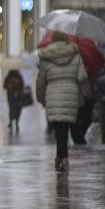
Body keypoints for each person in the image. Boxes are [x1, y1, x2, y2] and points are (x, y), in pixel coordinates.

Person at [36, 31, 87, 172]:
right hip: (71, 93)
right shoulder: (75, 53)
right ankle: (62, 158)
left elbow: (41, 81)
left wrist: (41, 98)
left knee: (59, 130)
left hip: (53, 93)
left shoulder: (46, 56)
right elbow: (82, 77)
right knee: (67, 127)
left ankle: (61, 158)